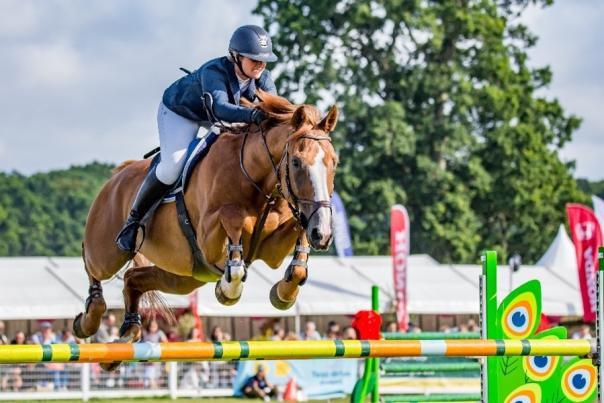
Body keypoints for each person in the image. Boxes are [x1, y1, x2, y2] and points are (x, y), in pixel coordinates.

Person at [115, 24, 278, 253]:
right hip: (181, 113)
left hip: (217, 119)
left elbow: (272, 110)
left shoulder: (264, 79)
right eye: (254, 59)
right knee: (172, 167)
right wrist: (254, 114)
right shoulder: (215, 72)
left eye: (264, 60)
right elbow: (221, 109)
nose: (260, 64)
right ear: (236, 56)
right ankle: (132, 222)